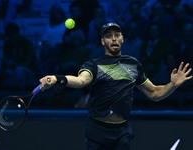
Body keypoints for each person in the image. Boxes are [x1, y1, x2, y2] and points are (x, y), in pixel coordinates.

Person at [39, 23, 192, 150]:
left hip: (122, 132)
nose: (113, 39)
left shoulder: (133, 64)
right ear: (102, 41)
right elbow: (81, 81)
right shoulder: (93, 64)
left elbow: (154, 93)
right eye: (108, 36)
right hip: (97, 131)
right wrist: (56, 78)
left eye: (117, 35)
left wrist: (173, 85)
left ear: (122, 39)